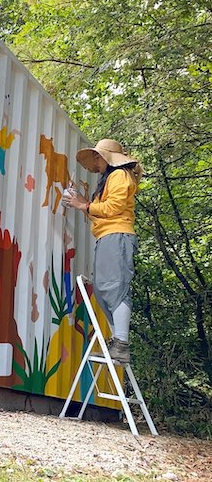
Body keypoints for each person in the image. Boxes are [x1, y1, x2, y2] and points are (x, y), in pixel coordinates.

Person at [62, 138, 142, 363]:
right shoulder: (111, 177)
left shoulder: (119, 175)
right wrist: (82, 202)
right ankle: (118, 340)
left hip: (117, 236)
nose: (95, 161)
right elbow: (103, 210)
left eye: (97, 156)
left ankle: (121, 344)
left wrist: (83, 204)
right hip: (109, 236)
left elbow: (113, 208)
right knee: (102, 290)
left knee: (114, 288)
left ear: (108, 157)